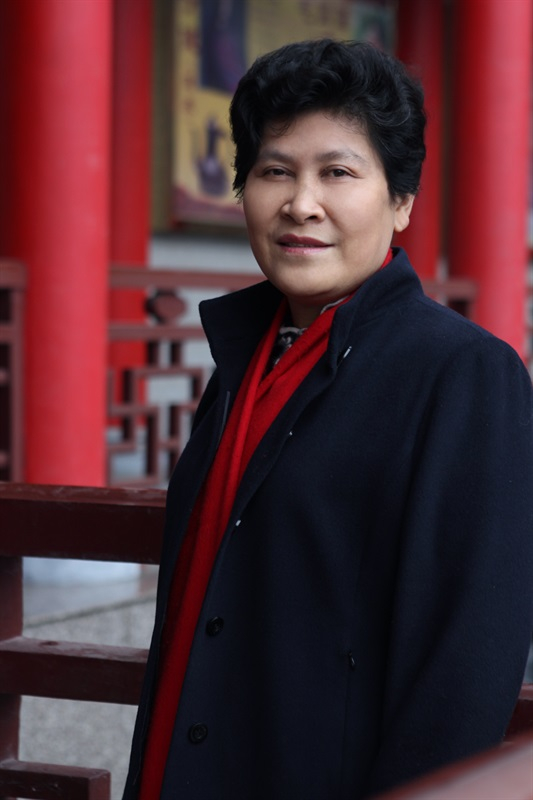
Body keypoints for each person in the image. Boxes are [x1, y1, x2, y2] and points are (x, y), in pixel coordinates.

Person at [123, 39, 533, 800]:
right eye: (275, 171)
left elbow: (465, 664)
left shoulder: (463, 374)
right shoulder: (247, 361)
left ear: (401, 201)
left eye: (338, 172)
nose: (301, 203)